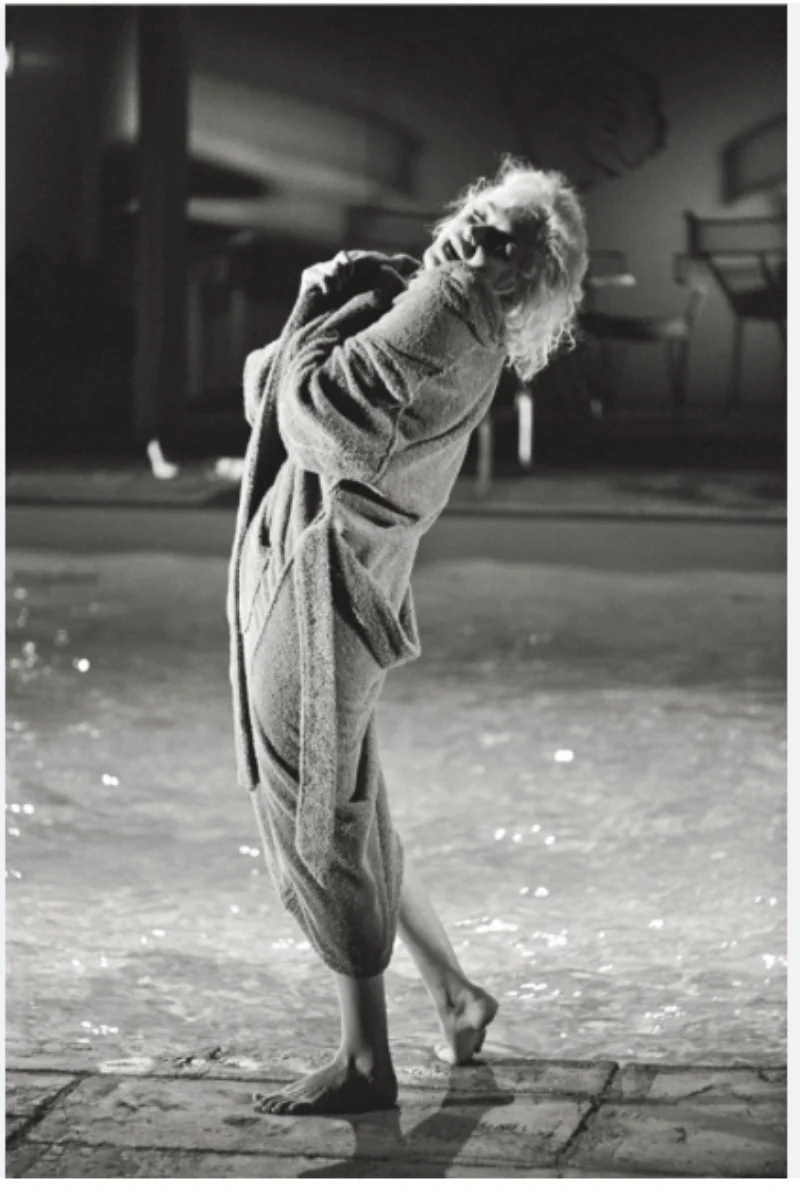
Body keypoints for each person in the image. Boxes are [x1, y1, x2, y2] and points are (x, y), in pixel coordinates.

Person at [227, 157, 588, 1116]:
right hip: (352, 582)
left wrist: (314, 303)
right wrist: (326, 309)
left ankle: (364, 1060)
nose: (475, 237)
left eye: (504, 235)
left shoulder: (444, 307)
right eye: (480, 215)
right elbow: (286, 387)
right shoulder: (461, 315)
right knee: (351, 803)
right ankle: (456, 995)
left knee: (321, 813)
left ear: (522, 267)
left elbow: (315, 417)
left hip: (322, 588)